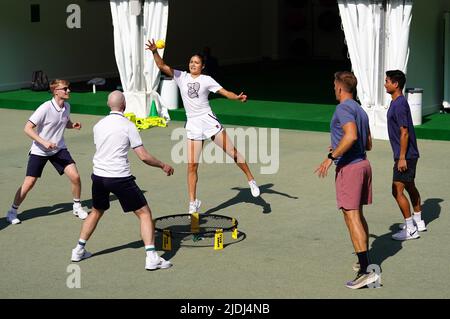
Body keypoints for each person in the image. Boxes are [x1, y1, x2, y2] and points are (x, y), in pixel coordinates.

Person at [146, 39, 260, 215]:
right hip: (193, 124)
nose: (193, 64)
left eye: (196, 62)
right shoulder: (180, 76)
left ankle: (251, 180)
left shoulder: (207, 80)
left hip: (208, 121)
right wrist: (154, 51)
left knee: (233, 153)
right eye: (191, 62)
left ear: (202, 66)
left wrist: (236, 97)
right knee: (192, 166)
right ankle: (193, 202)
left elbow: (224, 92)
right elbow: (162, 66)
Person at [70, 91, 174, 271]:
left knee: (96, 211)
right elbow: (143, 156)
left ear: (109, 105)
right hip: (119, 177)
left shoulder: (98, 125)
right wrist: (163, 165)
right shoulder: (128, 125)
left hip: (99, 177)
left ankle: (78, 250)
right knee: (144, 213)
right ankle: (152, 257)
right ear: (124, 105)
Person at [315, 71, 378, 289]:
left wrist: (332, 156)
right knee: (358, 215)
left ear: (340, 88)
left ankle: (366, 270)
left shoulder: (343, 108)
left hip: (350, 169)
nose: (333, 89)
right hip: (363, 164)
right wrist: (339, 146)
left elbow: (351, 136)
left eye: (334, 86)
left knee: (351, 217)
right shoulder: (360, 110)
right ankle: (364, 261)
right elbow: (367, 143)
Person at [5, 79, 88, 225]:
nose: (68, 91)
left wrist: (72, 125)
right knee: (29, 182)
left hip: (58, 149)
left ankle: (77, 206)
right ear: (56, 91)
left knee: (75, 176)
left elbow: (64, 122)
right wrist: (44, 142)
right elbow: (27, 128)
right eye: (65, 89)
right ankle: (12, 211)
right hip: (40, 150)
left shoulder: (66, 106)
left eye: (68, 88)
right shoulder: (45, 108)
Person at [385, 70, 425, 241]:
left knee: (397, 190)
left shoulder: (400, 104)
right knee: (409, 186)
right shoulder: (397, 102)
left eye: (387, 81)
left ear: (396, 84)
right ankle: (418, 221)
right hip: (408, 154)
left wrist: (401, 157)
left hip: (405, 155)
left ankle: (410, 229)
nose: (385, 83)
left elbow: (404, 132)